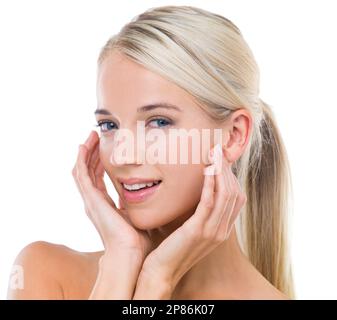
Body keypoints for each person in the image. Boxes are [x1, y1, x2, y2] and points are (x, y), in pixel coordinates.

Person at [7, 5, 294, 300]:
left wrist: (158, 278)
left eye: (158, 122)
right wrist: (121, 260)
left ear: (233, 136)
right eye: (109, 125)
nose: (121, 156)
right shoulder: (44, 273)